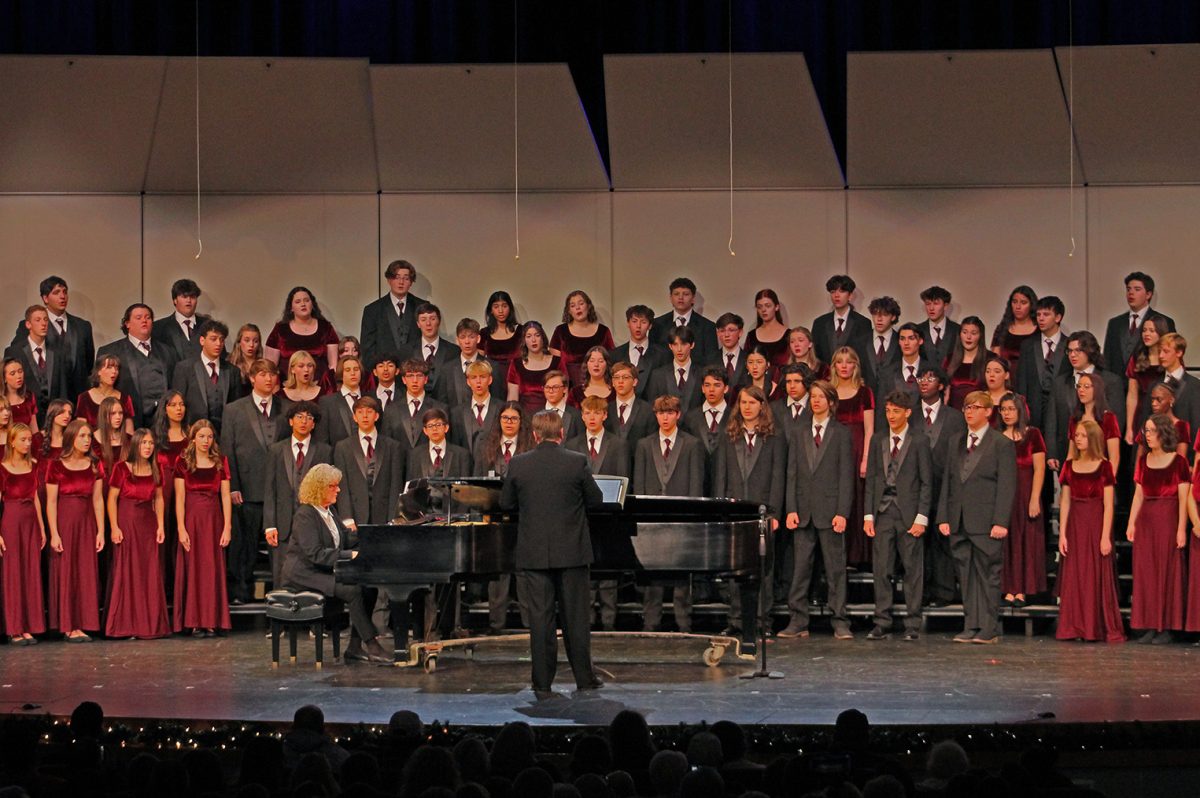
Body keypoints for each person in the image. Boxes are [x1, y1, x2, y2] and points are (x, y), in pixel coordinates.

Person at [500, 409, 604, 697]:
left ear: (534, 435)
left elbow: (506, 504)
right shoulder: (577, 462)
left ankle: (542, 682)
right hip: (572, 554)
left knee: (541, 620)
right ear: (561, 434)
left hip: (534, 555)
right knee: (576, 619)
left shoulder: (519, 464)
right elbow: (595, 501)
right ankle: (584, 679)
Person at [281, 463, 393, 663]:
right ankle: (372, 645)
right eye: (333, 486)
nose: (338, 490)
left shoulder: (329, 511)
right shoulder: (305, 515)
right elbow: (315, 554)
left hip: (321, 571)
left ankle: (354, 647)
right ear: (319, 488)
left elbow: (346, 538)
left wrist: (376, 535)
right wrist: (350, 556)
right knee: (352, 590)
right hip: (304, 575)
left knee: (369, 588)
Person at [937, 391, 1017, 644]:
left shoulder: (1000, 443)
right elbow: (949, 481)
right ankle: (971, 623)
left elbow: (1006, 485)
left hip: (986, 522)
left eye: (975, 407)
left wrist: (1000, 521)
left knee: (988, 575)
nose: (969, 412)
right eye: (966, 407)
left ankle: (989, 627)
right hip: (959, 519)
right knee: (966, 574)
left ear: (988, 411)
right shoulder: (956, 441)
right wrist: (944, 517)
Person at [780, 379, 855, 640]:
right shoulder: (799, 432)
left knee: (835, 570)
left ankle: (840, 620)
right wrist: (790, 508)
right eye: (813, 397)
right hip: (802, 510)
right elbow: (791, 473)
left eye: (821, 397)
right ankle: (798, 620)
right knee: (800, 569)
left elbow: (847, 476)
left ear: (831, 402)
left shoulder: (841, 433)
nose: (816, 401)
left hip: (830, 511)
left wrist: (842, 513)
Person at [712, 386, 785, 641]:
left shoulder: (774, 438)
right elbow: (721, 476)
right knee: (734, 569)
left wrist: (774, 512)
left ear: (762, 406)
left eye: (752, 403)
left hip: (763, 512)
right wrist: (721, 509)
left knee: (763, 568)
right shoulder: (728, 436)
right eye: (743, 402)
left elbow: (778, 478)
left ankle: (762, 620)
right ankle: (736, 621)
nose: (747, 407)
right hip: (734, 512)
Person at [863, 391, 932, 641]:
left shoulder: (919, 441)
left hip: (909, 512)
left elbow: (926, 482)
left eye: (896, 411)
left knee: (913, 569)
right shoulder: (878, 439)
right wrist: (868, 515)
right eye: (888, 410)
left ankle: (913, 622)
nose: (891, 415)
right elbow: (871, 479)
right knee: (881, 569)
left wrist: (921, 517)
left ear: (908, 413)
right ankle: (882, 620)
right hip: (883, 511)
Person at [633, 395, 705, 633]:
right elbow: (639, 484)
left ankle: (684, 622)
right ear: (655, 415)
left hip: (681, 519)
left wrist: (692, 516)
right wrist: (642, 516)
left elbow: (696, 485)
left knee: (682, 573)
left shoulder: (692, 444)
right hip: (652, 520)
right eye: (661, 413)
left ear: (678, 415)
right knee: (651, 571)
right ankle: (650, 621)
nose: (665, 418)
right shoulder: (645, 444)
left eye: (669, 413)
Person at [220, 359, 286, 605]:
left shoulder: (285, 407)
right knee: (243, 545)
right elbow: (228, 450)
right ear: (252, 378)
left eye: (272, 374)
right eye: (262, 374)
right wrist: (233, 485)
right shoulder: (234, 410)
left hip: (279, 491)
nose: (268, 379)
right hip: (246, 489)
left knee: (279, 548)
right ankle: (239, 591)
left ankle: (282, 594)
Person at [566, 395, 631, 631]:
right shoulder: (572, 446)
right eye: (587, 413)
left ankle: (609, 619)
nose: (591, 417)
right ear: (582, 415)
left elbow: (624, 479)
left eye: (596, 413)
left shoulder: (618, 444)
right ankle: (587, 618)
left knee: (608, 568)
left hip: (609, 517)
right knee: (585, 568)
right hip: (580, 517)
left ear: (605, 415)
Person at [1055, 420, 1123, 642]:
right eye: (1076, 435)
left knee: (1094, 574)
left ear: (1093, 438)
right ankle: (1074, 626)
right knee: (1075, 575)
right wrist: (1062, 533)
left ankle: (1094, 627)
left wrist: (1105, 536)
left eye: (1083, 435)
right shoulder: (1069, 465)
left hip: (1095, 524)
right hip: (1075, 525)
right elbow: (1064, 502)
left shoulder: (1104, 467)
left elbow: (1108, 505)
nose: (1078, 438)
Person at [1126, 413, 1188, 644]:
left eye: (1151, 431)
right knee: (1147, 573)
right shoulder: (1143, 461)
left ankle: (1166, 627)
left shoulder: (1178, 462)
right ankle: (1150, 624)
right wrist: (1132, 522)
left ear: (1163, 433)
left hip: (1168, 519)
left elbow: (1183, 498)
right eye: (1146, 431)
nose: (1147, 436)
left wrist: (1181, 529)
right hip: (1147, 521)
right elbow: (1139, 494)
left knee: (1167, 572)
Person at [472, 402, 533, 633]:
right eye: (505, 418)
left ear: (521, 422)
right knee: (498, 575)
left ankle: (530, 625)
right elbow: (477, 481)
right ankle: (496, 625)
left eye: (513, 418)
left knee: (525, 574)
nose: (509, 422)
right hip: (493, 519)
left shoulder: (530, 447)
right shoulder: (486, 446)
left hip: (523, 518)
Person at [105, 427, 170, 639]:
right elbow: (111, 499)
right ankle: (126, 625)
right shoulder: (122, 468)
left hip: (147, 524)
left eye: (151, 443)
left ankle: (149, 624)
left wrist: (160, 525)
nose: (148, 447)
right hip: (127, 522)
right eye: (144, 443)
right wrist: (114, 526)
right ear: (136, 445)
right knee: (127, 570)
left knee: (148, 570)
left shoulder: (156, 468)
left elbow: (159, 498)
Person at [45, 418, 104, 641]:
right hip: (65, 523)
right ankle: (69, 624)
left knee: (85, 572)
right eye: (82, 436)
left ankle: (83, 622)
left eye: (89, 436)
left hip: (86, 522)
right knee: (67, 571)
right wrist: (54, 533)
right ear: (71, 438)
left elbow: (98, 500)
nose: (87, 440)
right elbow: (51, 501)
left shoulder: (94, 465)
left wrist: (100, 531)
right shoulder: (57, 465)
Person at [263, 401, 332, 589]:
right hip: (283, 525)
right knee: (281, 575)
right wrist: (270, 525)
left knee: (312, 577)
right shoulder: (276, 450)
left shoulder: (324, 451)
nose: (304, 421)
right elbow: (270, 489)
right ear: (291, 421)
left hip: (313, 524)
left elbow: (329, 491)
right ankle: (280, 617)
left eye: (309, 418)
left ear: (314, 424)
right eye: (299, 417)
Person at [174, 419, 233, 636]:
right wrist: (181, 528)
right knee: (193, 569)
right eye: (201, 436)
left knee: (211, 569)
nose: (206, 441)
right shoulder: (183, 462)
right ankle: (194, 621)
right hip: (192, 520)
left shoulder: (220, 461)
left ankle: (210, 620)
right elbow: (179, 498)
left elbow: (225, 496)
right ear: (193, 438)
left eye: (209, 437)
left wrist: (227, 527)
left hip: (213, 520)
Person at [916, 366, 966, 607]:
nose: (924, 382)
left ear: (942, 386)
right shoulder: (910, 414)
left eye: (930, 378)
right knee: (918, 543)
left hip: (945, 487)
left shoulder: (955, 417)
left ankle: (944, 592)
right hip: (915, 489)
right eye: (921, 377)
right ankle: (920, 591)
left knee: (942, 541)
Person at [1044, 332, 1125, 468]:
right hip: (1066, 453)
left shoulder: (1111, 381)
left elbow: (1118, 420)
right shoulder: (1060, 382)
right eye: (1069, 351)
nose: (1073, 355)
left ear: (1090, 351)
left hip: (1100, 454)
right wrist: (1051, 452)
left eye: (1078, 350)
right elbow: (1052, 419)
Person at [996, 392, 1047, 608]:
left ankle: (1023, 590)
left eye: (1011, 409)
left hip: (1026, 493)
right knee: (1006, 543)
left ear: (1020, 411)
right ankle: (1008, 588)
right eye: (1004, 409)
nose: (1007, 414)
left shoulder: (1033, 435)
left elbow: (1040, 468)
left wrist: (1035, 498)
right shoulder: (996, 436)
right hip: (1003, 495)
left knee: (1025, 541)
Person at [9, 276, 95, 402]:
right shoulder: (28, 325)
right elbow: (19, 357)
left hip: (77, 397)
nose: (62, 296)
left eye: (65, 292)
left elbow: (88, 362)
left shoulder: (83, 326)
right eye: (56, 292)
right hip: (44, 398)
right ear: (45, 298)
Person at [0, 422, 46, 645]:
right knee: (13, 574)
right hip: (11, 522)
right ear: (12, 442)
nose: (28, 444)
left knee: (30, 572)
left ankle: (29, 625)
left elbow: (36, 498)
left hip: (30, 522)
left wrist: (42, 528)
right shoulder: (2, 468)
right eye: (23, 440)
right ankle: (14, 627)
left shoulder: (34, 466)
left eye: (29, 440)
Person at [96, 302, 178, 428]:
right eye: (138, 318)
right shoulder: (110, 351)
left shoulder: (168, 351)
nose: (144, 321)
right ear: (127, 323)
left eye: (148, 317)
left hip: (163, 422)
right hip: (129, 422)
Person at [830, 346, 874, 567]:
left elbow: (870, 430)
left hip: (857, 452)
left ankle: (858, 557)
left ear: (856, 365)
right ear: (834, 366)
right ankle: (838, 555)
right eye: (840, 362)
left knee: (857, 500)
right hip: (834, 453)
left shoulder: (865, 392)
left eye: (849, 362)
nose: (844, 366)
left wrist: (866, 457)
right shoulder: (829, 392)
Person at [334, 397, 406, 527]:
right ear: (355, 417)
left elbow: (395, 485)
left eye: (369, 412)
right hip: (355, 518)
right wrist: (347, 518)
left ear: (377, 416)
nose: (365, 416)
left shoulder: (392, 446)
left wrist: (393, 518)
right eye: (360, 412)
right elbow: (342, 486)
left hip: (384, 517)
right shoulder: (343, 447)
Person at [171, 319, 238, 433]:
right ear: (202, 340)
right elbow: (178, 402)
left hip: (224, 433)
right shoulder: (185, 368)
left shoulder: (232, 371)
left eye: (221, 340)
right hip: (193, 432)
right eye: (213, 339)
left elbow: (236, 406)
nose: (218, 344)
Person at [1103, 271, 1175, 376]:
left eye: (1137, 289)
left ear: (1148, 294)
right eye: (1128, 289)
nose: (1131, 293)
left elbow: (1171, 356)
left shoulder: (1165, 321)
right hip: (1117, 387)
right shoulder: (1115, 323)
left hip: (1149, 383)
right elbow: (1107, 359)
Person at [265, 286, 340, 388]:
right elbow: (270, 367)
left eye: (306, 300)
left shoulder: (325, 327)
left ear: (312, 304)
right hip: (287, 388)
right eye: (298, 301)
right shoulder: (280, 329)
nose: (303, 304)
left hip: (320, 388)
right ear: (291, 308)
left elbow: (333, 366)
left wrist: (330, 388)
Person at [4, 305, 65, 425]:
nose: (43, 324)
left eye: (46, 320)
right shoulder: (14, 351)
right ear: (28, 324)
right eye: (38, 320)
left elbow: (63, 387)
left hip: (53, 418)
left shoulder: (57, 352)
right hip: (26, 418)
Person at [1015, 296, 1068, 430]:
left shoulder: (1069, 345)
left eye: (1046, 314)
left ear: (1058, 317)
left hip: (1061, 412)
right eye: (1038, 314)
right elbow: (1021, 382)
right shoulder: (1027, 346)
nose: (1041, 318)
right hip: (1033, 414)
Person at [812, 275, 874, 388]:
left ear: (850, 295)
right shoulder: (820, 323)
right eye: (833, 291)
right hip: (826, 384)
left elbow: (865, 358)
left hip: (853, 383)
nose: (836, 295)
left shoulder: (863, 323)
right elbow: (815, 355)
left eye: (842, 291)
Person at [361, 259, 426, 368]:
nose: (401, 282)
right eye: (397, 277)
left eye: (406, 278)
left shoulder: (422, 307)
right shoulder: (372, 310)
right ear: (389, 280)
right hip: (384, 374)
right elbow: (368, 349)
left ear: (411, 282)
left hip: (415, 373)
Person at [551, 290, 615, 389]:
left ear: (588, 306)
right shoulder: (560, 331)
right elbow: (554, 364)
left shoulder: (603, 331)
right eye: (573, 305)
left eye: (581, 303)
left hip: (598, 386)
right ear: (569, 311)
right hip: (567, 387)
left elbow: (611, 361)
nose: (577, 308)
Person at [872, 322, 931, 428]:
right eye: (902, 339)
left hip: (923, 432)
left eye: (911, 338)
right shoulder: (887, 372)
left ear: (920, 341)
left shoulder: (930, 370)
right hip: (894, 433)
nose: (906, 343)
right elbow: (881, 409)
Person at [438, 318, 506, 409]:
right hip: (455, 421)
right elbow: (442, 403)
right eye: (462, 337)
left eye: (471, 337)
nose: (467, 342)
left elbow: (498, 400)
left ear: (478, 339)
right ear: (457, 340)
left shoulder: (492, 367)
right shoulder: (447, 369)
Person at [650, 277, 718, 366]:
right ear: (670, 298)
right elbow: (653, 356)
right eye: (676, 294)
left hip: (696, 377)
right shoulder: (657, 324)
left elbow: (711, 360)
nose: (681, 297)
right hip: (664, 377)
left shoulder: (707, 326)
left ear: (693, 298)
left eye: (686, 294)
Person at [383, 358, 447, 449]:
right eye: (410, 376)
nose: (415, 380)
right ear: (404, 380)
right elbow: (387, 444)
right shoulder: (391, 409)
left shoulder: (440, 408)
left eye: (419, 376)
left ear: (426, 379)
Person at [1125, 315, 1170, 440]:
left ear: (1161, 333)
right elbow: (1132, 394)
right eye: (1144, 330)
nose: (1146, 334)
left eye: (1152, 330)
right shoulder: (1136, 357)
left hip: (1164, 412)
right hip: (1141, 413)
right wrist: (1129, 427)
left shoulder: (1169, 358)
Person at [609, 304, 667, 399]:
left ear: (650, 326)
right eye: (634, 321)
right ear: (628, 323)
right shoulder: (615, 354)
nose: (638, 326)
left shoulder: (662, 354)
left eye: (643, 322)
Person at [645, 326, 704, 415]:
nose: (679, 349)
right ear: (670, 346)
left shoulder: (702, 374)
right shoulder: (657, 375)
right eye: (675, 344)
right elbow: (653, 408)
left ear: (692, 345)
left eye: (683, 344)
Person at [152, 278, 209, 364]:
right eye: (184, 296)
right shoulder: (159, 327)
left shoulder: (208, 325)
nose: (189, 300)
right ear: (175, 300)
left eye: (193, 297)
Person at [412, 303, 462, 400]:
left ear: (439, 321)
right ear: (418, 324)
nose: (428, 323)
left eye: (432, 319)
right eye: (423, 319)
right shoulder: (407, 351)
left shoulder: (454, 351)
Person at [506, 321, 557, 413]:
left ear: (543, 338)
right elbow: (512, 398)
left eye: (537, 335)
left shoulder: (557, 362)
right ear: (524, 341)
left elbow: (564, 393)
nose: (533, 340)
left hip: (551, 416)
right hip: (525, 416)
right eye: (528, 336)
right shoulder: (516, 364)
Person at [450, 360, 501, 452]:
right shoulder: (457, 413)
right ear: (468, 382)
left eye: (482, 377)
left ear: (490, 380)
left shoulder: (502, 408)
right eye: (473, 377)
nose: (478, 381)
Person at [75, 354, 134, 433]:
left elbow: (129, 432)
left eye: (116, 368)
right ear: (98, 371)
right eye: (109, 367)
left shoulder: (125, 399)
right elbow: (81, 431)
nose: (114, 371)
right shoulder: (84, 398)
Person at [406, 408, 470, 479]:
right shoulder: (415, 455)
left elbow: (466, 486)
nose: (434, 429)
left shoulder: (462, 455)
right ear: (425, 430)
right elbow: (410, 486)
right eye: (430, 426)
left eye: (438, 425)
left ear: (446, 428)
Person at [990, 285, 1039, 378]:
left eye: (1023, 302)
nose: (1018, 306)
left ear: (1031, 305)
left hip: (1032, 380)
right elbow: (995, 360)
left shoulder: (1039, 331)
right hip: (1006, 381)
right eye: (1014, 302)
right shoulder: (1002, 329)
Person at [683, 365, 731, 459]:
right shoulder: (690, 418)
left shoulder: (735, 416)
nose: (711, 390)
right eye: (707, 385)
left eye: (717, 385)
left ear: (726, 389)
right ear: (702, 388)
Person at [317, 355, 365, 448]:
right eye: (348, 370)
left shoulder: (372, 399)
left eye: (356, 369)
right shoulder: (327, 402)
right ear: (340, 374)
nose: (353, 373)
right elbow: (322, 440)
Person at [606, 361, 657, 443]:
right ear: (613, 382)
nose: (620, 381)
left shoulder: (648, 410)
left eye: (625, 377)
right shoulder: (605, 410)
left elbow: (651, 443)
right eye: (616, 377)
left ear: (635, 382)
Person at [945, 315, 987, 410]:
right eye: (965, 332)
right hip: (954, 414)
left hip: (980, 414)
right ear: (960, 334)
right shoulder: (949, 359)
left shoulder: (990, 359)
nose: (968, 337)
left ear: (980, 335)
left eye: (973, 333)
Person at [743, 289, 790, 372]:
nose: (763, 310)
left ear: (776, 307)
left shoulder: (789, 335)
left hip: (783, 382)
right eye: (759, 307)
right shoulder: (751, 336)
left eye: (767, 306)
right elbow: (746, 363)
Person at [917, 286, 959, 367]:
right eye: (928, 304)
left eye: (936, 303)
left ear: (945, 306)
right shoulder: (918, 330)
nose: (931, 308)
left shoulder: (957, 330)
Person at [479, 290, 522, 370]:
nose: (501, 311)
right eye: (496, 307)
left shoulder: (521, 331)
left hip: (515, 377)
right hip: (492, 378)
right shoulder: (484, 333)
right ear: (491, 310)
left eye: (504, 306)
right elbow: (479, 360)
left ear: (510, 308)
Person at [866, 296, 902, 381]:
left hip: (894, 392)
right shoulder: (860, 341)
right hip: (867, 392)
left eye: (884, 314)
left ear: (893, 317)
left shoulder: (901, 341)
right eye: (875, 314)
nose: (879, 319)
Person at [772, 362, 812, 437]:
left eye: (797, 381)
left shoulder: (816, 406)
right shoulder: (774, 408)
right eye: (788, 381)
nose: (792, 386)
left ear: (806, 381)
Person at [541, 370, 582, 440]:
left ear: (565, 389)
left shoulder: (576, 415)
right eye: (547, 387)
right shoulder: (534, 415)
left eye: (555, 387)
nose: (551, 391)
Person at [3, 357, 39, 433]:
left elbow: (34, 429)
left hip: (27, 442)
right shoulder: (1, 400)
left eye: (20, 371)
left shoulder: (29, 396)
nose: (18, 376)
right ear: (4, 378)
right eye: (13, 373)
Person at [228, 323, 263, 399]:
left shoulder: (263, 365)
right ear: (239, 342)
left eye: (255, 341)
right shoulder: (229, 364)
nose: (251, 345)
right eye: (247, 340)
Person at [714, 313, 747, 389]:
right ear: (718, 334)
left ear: (740, 332)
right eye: (722, 331)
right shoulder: (710, 359)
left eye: (731, 330)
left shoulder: (748, 359)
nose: (726, 335)